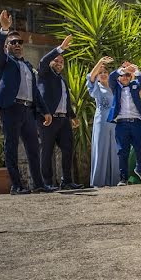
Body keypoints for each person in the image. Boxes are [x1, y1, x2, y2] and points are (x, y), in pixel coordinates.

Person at [0, 10, 55, 195]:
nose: (18, 45)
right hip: (11, 108)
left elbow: (35, 92)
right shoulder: (4, 63)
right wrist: (4, 29)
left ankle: (39, 184)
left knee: (34, 149)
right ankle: (16, 186)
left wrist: (45, 111)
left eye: (20, 42)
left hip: (28, 111)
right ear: (7, 46)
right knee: (11, 147)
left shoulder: (27, 66)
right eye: (13, 42)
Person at [37, 38, 83, 190]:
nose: (59, 63)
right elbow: (44, 60)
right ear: (51, 61)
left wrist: (73, 117)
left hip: (63, 120)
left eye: (61, 62)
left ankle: (67, 181)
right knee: (47, 151)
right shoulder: (44, 73)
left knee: (68, 149)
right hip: (48, 120)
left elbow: (65, 100)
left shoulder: (62, 80)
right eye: (56, 60)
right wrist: (60, 49)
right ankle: (47, 182)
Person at [107, 61, 141, 186]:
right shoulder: (115, 86)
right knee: (122, 151)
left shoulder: (135, 85)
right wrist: (122, 69)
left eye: (128, 75)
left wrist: (135, 70)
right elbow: (111, 77)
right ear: (119, 76)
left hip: (136, 122)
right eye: (123, 75)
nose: (125, 77)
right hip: (121, 123)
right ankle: (123, 178)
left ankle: (140, 169)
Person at [86, 56, 121, 187]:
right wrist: (100, 62)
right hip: (102, 121)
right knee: (101, 150)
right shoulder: (97, 88)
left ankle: (116, 181)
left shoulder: (115, 86)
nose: (103, 74)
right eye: (100, 73)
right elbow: (90, 77)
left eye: (105, 72)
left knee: (115, 151)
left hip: (116, 123)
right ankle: (98, 182)